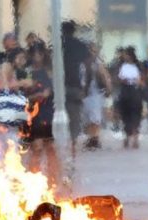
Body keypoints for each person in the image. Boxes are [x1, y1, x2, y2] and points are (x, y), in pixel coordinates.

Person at [25, 42, 60, 185]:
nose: (37, 57)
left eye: (40, 54)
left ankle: (53, 179)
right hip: (34, 114)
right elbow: (24, 94)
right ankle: (34, 180)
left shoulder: (49, 71)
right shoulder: (28, 73)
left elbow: (53, 90)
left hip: (49, 112)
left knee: (50, 147)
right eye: (34, 54)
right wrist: (37, 95)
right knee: (37, 147)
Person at [61, 21, 90, 157]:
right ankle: (72, 145)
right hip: (76, 87)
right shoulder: (81, 46)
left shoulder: (57, 45)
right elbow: (87, 68)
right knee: (74, 117)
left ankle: (62, 145)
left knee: (58, 116)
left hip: (59, 87)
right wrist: (86, 88)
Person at [80, 42, 111, 150]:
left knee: (95, 118)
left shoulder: (96, 62)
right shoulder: (83, 63)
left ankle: (95, 139)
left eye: (94, 50)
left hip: (95, 93)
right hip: (88, 94)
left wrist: (107, 88)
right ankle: (92, 138)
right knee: (89, 117)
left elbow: (104, 75)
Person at [116, 46, 144, 149]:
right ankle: (128, 137)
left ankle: (135, 137)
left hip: (134, 92)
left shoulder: (138, 66)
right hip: (126, 92)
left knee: (135, 115)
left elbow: (141, 81)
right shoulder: (121, 65)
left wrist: (135, 81)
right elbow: (119, 79)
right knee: (126, 115)